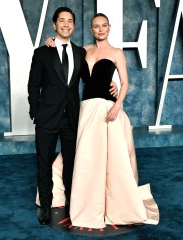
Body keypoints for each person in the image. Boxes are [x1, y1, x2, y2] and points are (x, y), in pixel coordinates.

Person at [45, 13, 159, 228]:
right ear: (91, 29)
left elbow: (124, 83)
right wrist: (50, 42)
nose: (100, 29)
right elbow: (63, 52)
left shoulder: (116, 52)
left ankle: (111, 203)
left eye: (103, 26)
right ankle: (81, 199)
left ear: (109, 27)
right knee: (85, 157)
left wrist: (117, 105)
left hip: (108, 109)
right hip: (86, 109)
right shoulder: (83, 51)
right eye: (96, 26)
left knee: (110, 159)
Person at [28, 8, 117, 226]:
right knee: (44, 163)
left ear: (74, 26)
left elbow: (91, 78)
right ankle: (46, 208)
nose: (66, 24)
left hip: (72, 119)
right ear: (54, 25)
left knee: (71, 164)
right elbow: (33, 86)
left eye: (70, 21)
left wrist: (112, 84)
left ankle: (71, 204)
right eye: (62, 21)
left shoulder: (80, 52)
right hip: (47, 118)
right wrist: (35, 113)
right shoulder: (42, 52)